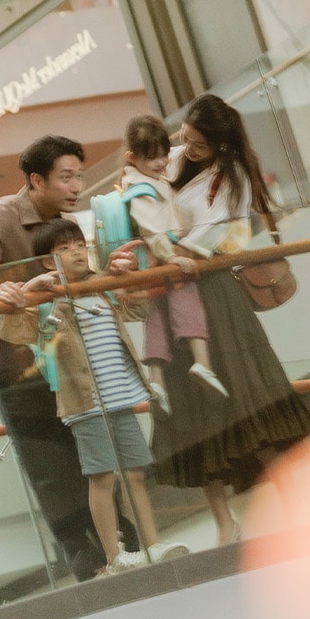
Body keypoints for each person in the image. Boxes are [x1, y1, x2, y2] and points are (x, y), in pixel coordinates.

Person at [0, 134, 139, 582]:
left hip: (62, 346)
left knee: (92, 441)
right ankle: (89, 562)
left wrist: (109, 272)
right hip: (11, 352)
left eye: (79, 175)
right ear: (36, 180)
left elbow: (81, 278)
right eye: (66, 177)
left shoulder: (67, 221)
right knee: (50, 461)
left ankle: (122, 546)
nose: (76, 185)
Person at [152, 95, 310, 543]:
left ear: (221, 145)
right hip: (170, 291)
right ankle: (225, 521)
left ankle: (295, 504)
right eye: (187, 137)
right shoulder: (168, 159)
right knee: (192, 409)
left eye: (201, 145)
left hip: (213, 291)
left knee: (247, 395)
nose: (189, 148)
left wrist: (176, 250)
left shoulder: (233, 176)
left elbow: (214, 232)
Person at [0, 218, 188, 576]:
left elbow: (139, 308)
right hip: (85, 404)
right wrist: (30, 289)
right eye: (64, 248)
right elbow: (10, 329)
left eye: (79, 245)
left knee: (134, 474)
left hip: (120, 395)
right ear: (46, 260)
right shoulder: (46, 300)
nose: (76, 252)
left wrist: (123, 278)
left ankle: (152, 544)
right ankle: (115, 555)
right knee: (102, 477)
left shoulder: (100, 286)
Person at [121, 114, 228, 413]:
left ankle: (156, 381)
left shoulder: (147, 180)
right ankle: (202, 362)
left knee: (155, 318)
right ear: (132, 157)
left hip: (153, 261)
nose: (161, 163)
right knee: (187, 299)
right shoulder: (141, 189)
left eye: (164, 155)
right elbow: (152, 229)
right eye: (151, 158)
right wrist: (173, 256)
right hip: (163, 257)